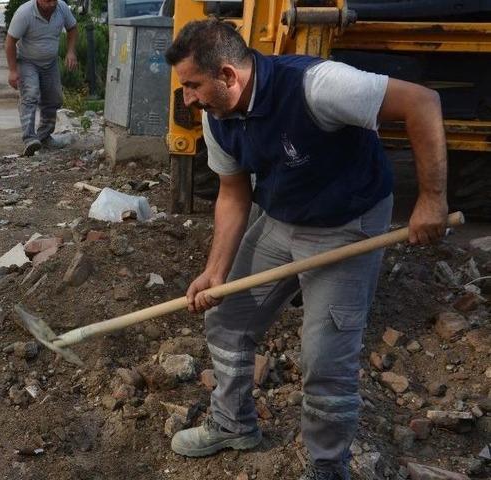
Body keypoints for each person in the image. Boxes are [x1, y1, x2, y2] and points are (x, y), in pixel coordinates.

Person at [164, 20, 448, 479]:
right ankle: (233, 424)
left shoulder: (317, 86)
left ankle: (327, 468)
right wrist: (216, 271)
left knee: (324, 359)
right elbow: (233, 194)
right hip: (281, 219)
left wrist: (432, 199)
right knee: (227, 317)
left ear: (228, 75)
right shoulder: (217, 117)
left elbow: (422, 102)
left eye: (193, 85)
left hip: (346, 224)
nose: (188, 98)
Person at [5, 0, 78, 156]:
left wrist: (71, 51)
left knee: (54, 98)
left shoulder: (62, 8)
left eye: (53, 0)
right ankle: (29, 139)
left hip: (50, 63)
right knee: (30, 94)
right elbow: (10, 41)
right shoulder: (24, 13)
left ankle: (44, 137)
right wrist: (12, 70)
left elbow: (72, 28)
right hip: (27, 61)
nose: (51, 4)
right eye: (47, 1)